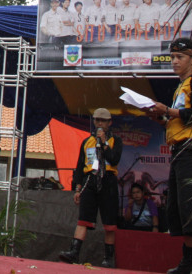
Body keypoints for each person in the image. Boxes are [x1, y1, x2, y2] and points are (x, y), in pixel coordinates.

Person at [149, 37, 192, 274]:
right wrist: (162, 118)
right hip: (180, 152)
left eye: (179, 57)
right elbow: (180, 119)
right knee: (180, 209)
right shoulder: (181, 85)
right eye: (173, 57)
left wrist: (167, 110)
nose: (174, 61)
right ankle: (189, 261)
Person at [59, 108, 123, 268]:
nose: (99, 123)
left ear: (109, 123)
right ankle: (74, 252)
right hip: (90, 180)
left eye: (103, 121)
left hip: (108, 180)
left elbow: (114, 160)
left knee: (109, 222)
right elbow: (80, 166)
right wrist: (78, 188)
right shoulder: (87, 142)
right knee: (83, 218)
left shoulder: (116, 140)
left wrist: (105, 143)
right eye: (97, 120)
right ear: (93, 122)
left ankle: (108, 258)